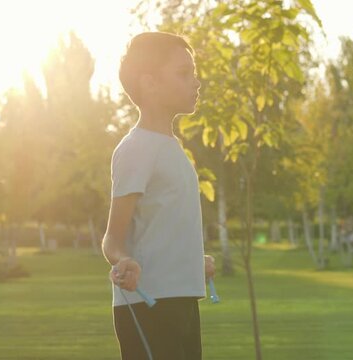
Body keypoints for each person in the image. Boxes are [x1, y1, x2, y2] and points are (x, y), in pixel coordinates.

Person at [101, 31, 215, 360]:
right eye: (184, 73)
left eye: (193, 73)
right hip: (149, 306)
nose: (196, 82)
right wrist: (124, 262)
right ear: (149, 83)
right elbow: (112, 239)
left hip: (181, 302)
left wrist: (193, 262)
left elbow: (162, 225)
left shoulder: (174, 150)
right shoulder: (136, 149)